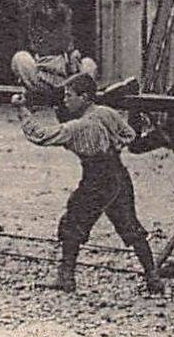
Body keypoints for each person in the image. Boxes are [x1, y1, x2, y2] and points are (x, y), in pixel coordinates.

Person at [18, 72, 163, 296]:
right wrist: (112, 143)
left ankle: (66, 278)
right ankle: (153, 279)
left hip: (96, 178)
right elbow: (130, 135)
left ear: (84, 98)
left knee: (72, 223)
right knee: (130, 226)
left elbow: (40, 136)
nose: (65, 101)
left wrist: (22, 110)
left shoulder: (78, 127)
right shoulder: (106, 112)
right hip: (118, 174)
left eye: (69, 96)